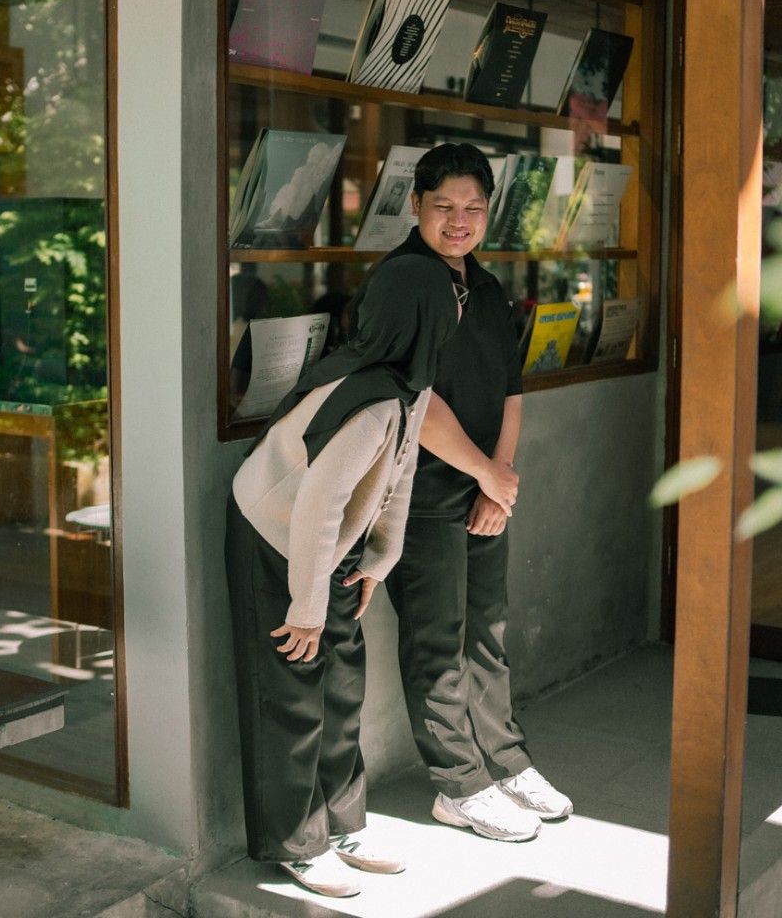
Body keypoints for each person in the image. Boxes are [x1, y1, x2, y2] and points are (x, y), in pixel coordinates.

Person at [225, 251, 462, 898]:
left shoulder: (410, 385)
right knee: (293, 687)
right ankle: (298, 843)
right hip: (275, 533)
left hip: (330, 544)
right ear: (425, 315)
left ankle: (344, 825)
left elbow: (399, 475)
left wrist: (379, 561)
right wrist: (306, 608)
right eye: (453, 298)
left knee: (342, 684)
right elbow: (317, 506)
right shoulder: (370, 402)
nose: (459, 307)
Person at [374, 143, 574, 842]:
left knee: (486, 632)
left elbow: (510, 389)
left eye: (474, 208)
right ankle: (458, 784)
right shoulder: (403, 281)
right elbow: (413, 397)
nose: (459, 220)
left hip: (482, 490)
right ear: (415, 206)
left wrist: (499, 481)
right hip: (419, 495)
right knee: (436, 640)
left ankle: (508, 762)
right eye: (444, 206)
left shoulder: (485, 287)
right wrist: (485, 474)